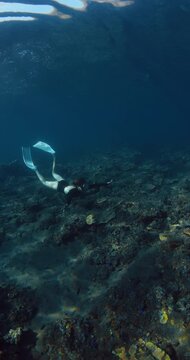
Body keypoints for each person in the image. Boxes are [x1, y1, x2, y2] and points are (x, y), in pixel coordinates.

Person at [22, 141, 112, 199]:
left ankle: (53, 156)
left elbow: (94, 185)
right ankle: (35, 169)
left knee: (53, 173)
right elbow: (69, 196)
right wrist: (67, 205)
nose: (87, 186)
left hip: (63, 182)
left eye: (85, 185)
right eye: (86, 185)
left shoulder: (81, 187)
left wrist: (106, 183)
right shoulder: (75, 191)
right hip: (59, 186)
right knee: (44, 182)